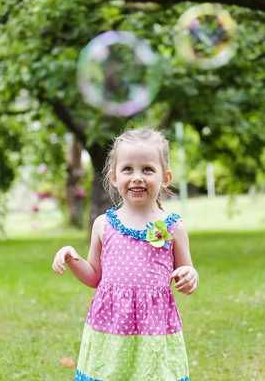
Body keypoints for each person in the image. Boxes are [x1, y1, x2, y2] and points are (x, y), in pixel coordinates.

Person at [52, 127, 199, 381]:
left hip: (154, 328)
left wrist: (190, 275)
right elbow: (95, 277)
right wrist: (72, 259)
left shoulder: (174, 227)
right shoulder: (104, 225)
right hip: (111, 326)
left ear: (165, 177)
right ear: (114, 177)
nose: (137, 177)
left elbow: (186, 272)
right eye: (128, 169)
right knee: (111, 373)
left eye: (148, 169)